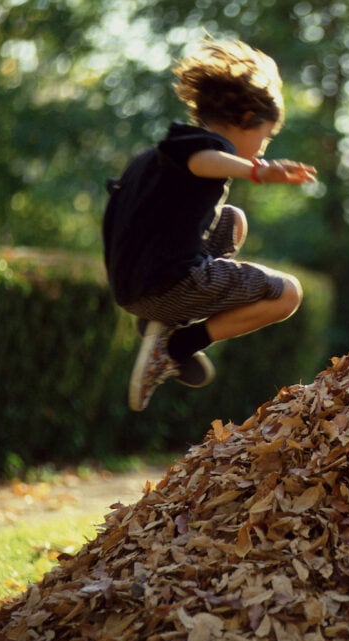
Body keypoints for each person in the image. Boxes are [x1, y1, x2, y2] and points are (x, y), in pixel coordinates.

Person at [102, 39, 316, 412]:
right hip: (166, 285)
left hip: (133, 285)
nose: (262, 149)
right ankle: (176, 347)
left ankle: (164, 323)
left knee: (233, 220)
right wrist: (259, 171)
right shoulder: (198, 150)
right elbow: (203, 161)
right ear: (247, 117)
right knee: (288, 295)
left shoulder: (155, 157)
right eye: (264, 138)